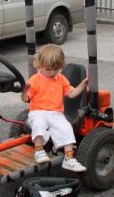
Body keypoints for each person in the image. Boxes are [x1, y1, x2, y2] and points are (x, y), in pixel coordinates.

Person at [20, 44, 88, 172]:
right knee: (39, 124)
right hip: (38, 111)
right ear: (40, 65)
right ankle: (39, 151)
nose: (52, 72)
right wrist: (24, 91)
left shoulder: (61, 79)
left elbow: (72, 94)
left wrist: (82, 85)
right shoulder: (35, 80)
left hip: (56, 113)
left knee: (66, 128)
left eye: (56, 69)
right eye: (49, 69)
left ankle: (69, 159)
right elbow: (26, 99)